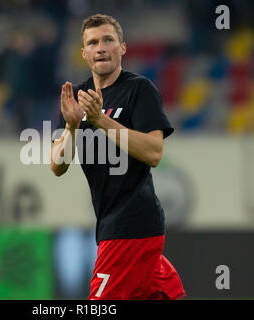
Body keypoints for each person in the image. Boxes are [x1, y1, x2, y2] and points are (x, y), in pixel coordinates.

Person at [50, 14, 185, 300]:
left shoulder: (139, 90)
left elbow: (154, 152)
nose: (101, 47)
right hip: (113, 224)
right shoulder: (77, 96)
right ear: (83, 53)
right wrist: (73, 126)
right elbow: (57, 166)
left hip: (130, 226)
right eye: (93, 42)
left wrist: (102, 121)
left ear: (122, 48)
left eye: (108, 40)